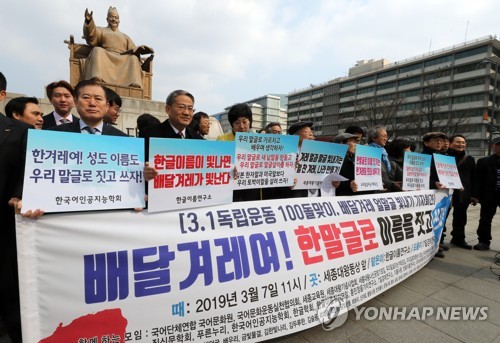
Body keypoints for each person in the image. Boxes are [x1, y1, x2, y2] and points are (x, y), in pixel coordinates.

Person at [0, 72, 31, 343]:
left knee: (9, 292)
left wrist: (19, 196)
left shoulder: (19, 131)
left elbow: (27, 174)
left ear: (2, 95)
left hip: (5, 228)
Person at [83, 7, 154, 88]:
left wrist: (139, 51)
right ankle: (96, 77)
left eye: (116, 18)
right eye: (111, 17)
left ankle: (134, 83)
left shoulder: (125, 37)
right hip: (106, 56)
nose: (114, 19)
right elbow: (91, 36)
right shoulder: (101, 30)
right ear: (107, 19)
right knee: (97, 50)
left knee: (133, 58)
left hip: (122, 59)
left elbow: (133, 49)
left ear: (119, 21)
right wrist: (89, 21)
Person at [48, 79, 127, 136]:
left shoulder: (122, 138)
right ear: (76, 102)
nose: (92, 103)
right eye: (86, 97)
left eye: (98, 99)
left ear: (107, 106)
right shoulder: (54, 134)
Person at [216, 103, 260, 202]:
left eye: (244, 122)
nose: (241, 126)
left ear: (250, 122)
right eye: (237, 123)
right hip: (231, 186)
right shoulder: (222, 139)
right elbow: (219, 163)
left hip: (252, 185)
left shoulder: (258, 140)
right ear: (232, 124)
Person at [421, 131, 448, 257]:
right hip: (429, 195)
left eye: (441, 141)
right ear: (426, 142)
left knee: (439, 220)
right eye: (436, 140)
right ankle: (430, 247)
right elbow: (420, 177)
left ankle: (437, 243)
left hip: (442, 194)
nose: (439, 143)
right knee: (429, 222)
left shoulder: (441, 156)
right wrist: (433, 184)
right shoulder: (422, 157)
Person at [446, 134, 475, 249]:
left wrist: (474, 195)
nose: (461, 144)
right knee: (441, 216)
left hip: (463, 193)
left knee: (461, 217)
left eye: (463, 142)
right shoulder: (443, 157)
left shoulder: (469, 159)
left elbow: (474, 177)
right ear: (450, 143)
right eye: (458, 142)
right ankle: (439, 240)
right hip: (445, 192)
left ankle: (458, 239)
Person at [472, 136, 500, 251]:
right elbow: (477, 180)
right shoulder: (483, 161)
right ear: (493, 146)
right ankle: (483, 241)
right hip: (489, 195)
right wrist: (475, 195)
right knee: (485, 219)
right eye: (498, 145)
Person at [366, 125, 401, 192]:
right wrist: (391, 184)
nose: (386, 139)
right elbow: (370, 176)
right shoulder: (367, 152)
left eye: (386, 136)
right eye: (383, 136)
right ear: (374, 138)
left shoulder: (384, 152)